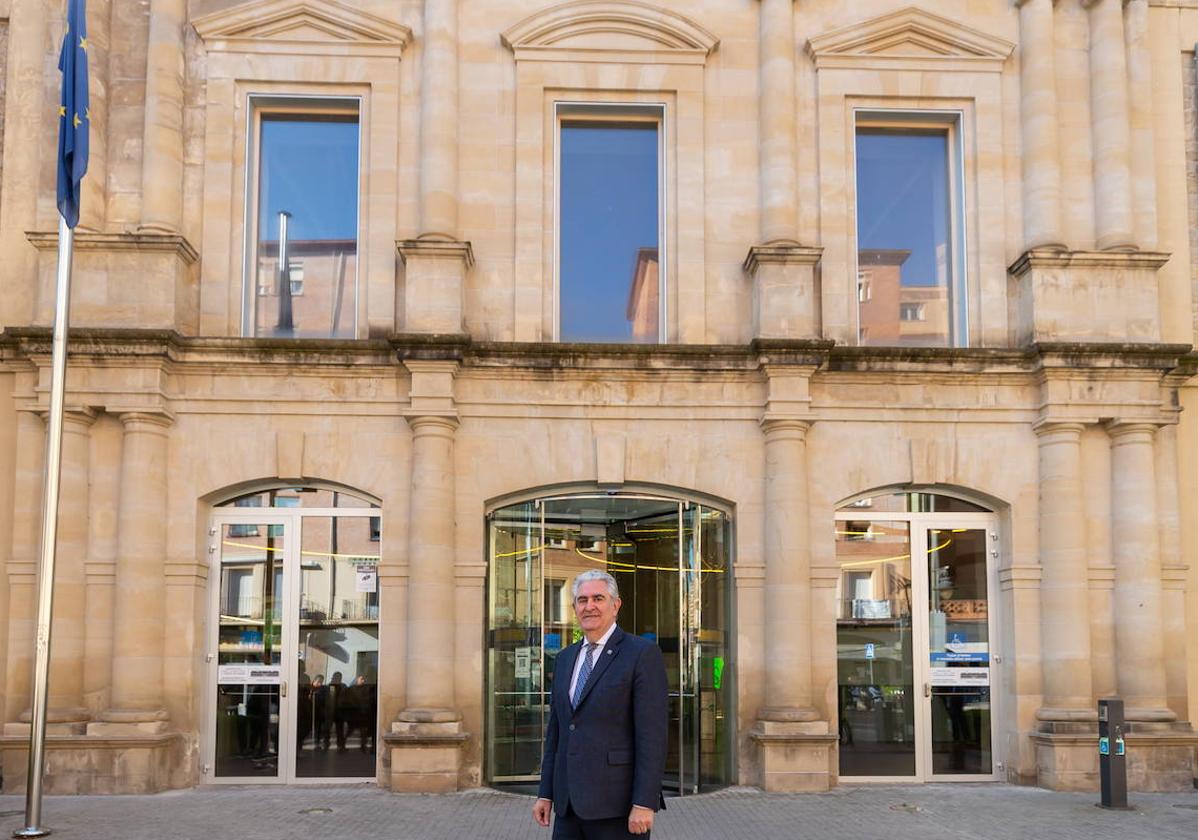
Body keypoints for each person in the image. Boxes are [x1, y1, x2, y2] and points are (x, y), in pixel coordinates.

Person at [532, 570, 668, 838]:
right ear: (574, 608)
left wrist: (644, 803)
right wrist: (546, 793)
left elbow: (652, 736)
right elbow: (556, 734)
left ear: (616, 605)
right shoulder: (564, 659)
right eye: (582, 600)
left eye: (598, 598)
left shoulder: (641, 654)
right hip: (568, 806)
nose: (589, 606)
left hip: (617, 806)